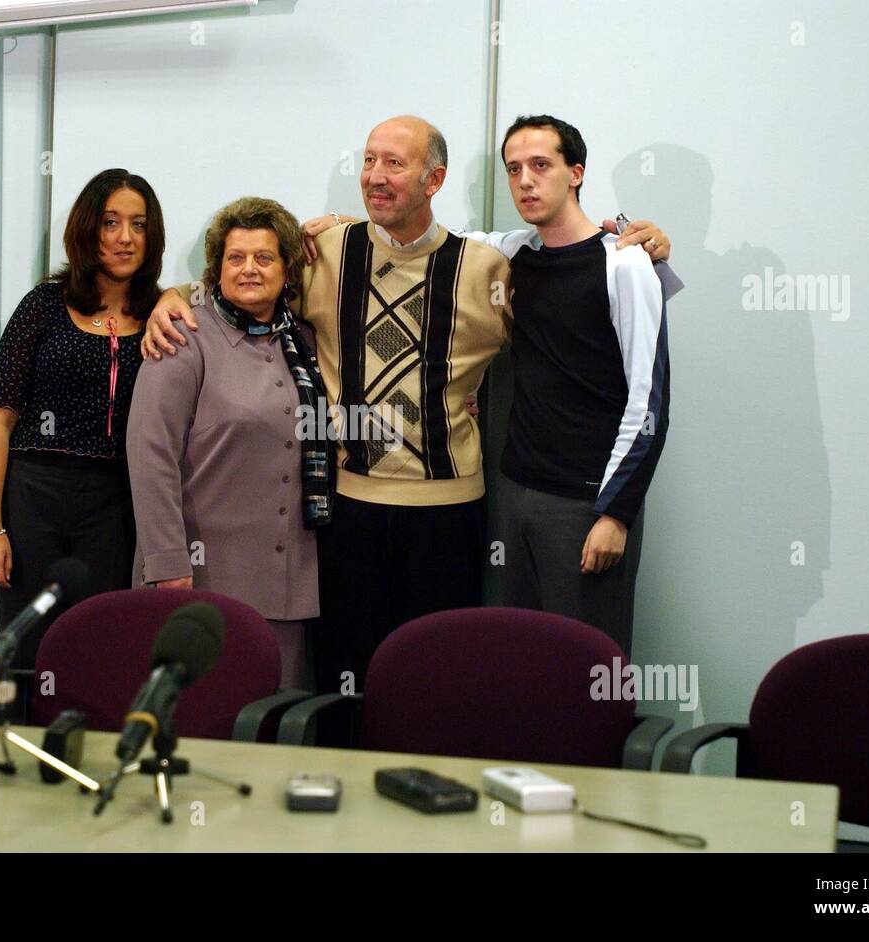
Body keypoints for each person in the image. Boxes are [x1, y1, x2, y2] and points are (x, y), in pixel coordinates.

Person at [140, 116, 672, 695]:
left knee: (437, 685)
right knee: (346, 682)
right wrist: (172, 296)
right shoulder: (322, 251)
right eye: (369, 161)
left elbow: (577, 291)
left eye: (395, 163)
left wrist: (645, 250)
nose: (375, 176)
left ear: (434, 179)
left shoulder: (489, 268)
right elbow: (242, 281)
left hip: (450, 515)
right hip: (346, 510)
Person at [481, 115, 670, 656]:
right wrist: (337, 222)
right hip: (515, 493)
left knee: (588, 669)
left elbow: (649, 400)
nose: (525, 180)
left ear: (576, 173)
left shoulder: (625, 263)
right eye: (514, 168)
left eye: (541, 165)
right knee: (523, 665)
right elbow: (427, 241)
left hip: (586, 503)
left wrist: (616, 513)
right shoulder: (514, 253)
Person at [126, 197, 328, 689]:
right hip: (199, 577)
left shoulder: (302, 339)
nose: (249, 270)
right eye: (235, 258)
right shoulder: (182, 334)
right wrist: (167, 564)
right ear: (216, 270)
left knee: (271, 729)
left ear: (287, 270)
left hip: (287, 583)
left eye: (264, 258)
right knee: (199, 723)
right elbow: (151, 457)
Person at [0, 169, 163, 668]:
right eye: (111, 222)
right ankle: (14, 744)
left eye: (139, 224)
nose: (126, 238)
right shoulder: (43, 306)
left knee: (101, 650)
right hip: (36, 497)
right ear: (87, 230)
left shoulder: (162, 314)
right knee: (26, 647)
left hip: (117, 504)